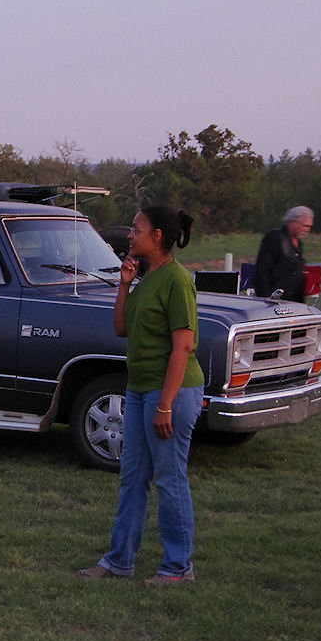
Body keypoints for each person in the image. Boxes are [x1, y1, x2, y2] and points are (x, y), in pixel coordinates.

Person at [78, 204, 205, 586]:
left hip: (173, 392)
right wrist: (124, 284)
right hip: (138, 389)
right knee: (132, 477)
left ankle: (178, 568)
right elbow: (121, 327)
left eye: (136, 230)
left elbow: (182, 347)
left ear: (158, 237)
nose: (129, 235)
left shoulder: (177, 280)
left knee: (169, 478)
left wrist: (165, 404)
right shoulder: (146, 278)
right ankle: (119, 561)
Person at [254, 205, 314, 301]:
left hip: (294, 300)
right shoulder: (275, 238)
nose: (307, 229)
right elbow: (262, 270)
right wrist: (265, 297)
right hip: (275, 299)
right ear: (292, 222)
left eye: (309, 226)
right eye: (304, 225)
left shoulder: (298, 243)